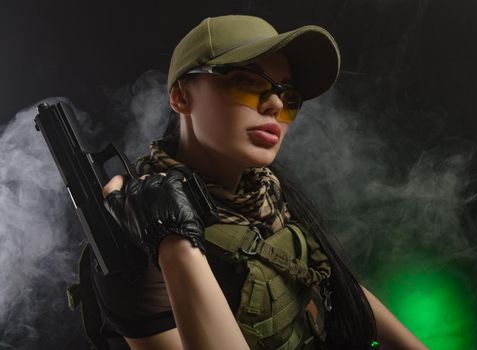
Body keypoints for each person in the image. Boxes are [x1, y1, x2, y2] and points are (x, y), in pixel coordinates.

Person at [89, 14, 428, 350]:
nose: (276, 104)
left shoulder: (266, 191)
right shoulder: (135, 228)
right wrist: (176, 244)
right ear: (181, 97)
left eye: (289, 97)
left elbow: (332, 283)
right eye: (248, 82)